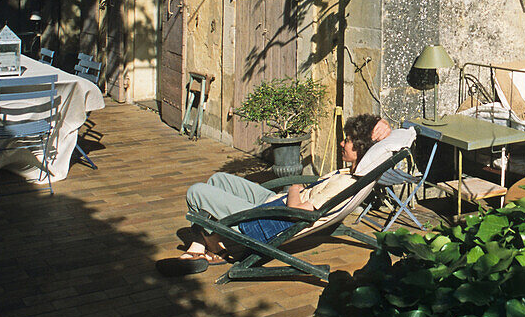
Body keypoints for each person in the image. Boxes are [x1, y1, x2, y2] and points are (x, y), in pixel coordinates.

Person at [157, 113, 393, 276]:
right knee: (218, 180)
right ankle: (210, 245)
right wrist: (383, 124)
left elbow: (298, 214)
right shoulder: (352, 171)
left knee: (196, 192)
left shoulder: (345, 184)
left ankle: (204, 244)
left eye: (349, 141)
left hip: (268, 220)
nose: (342, 143)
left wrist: (293, 190)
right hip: (271, 204)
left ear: (361, 148)